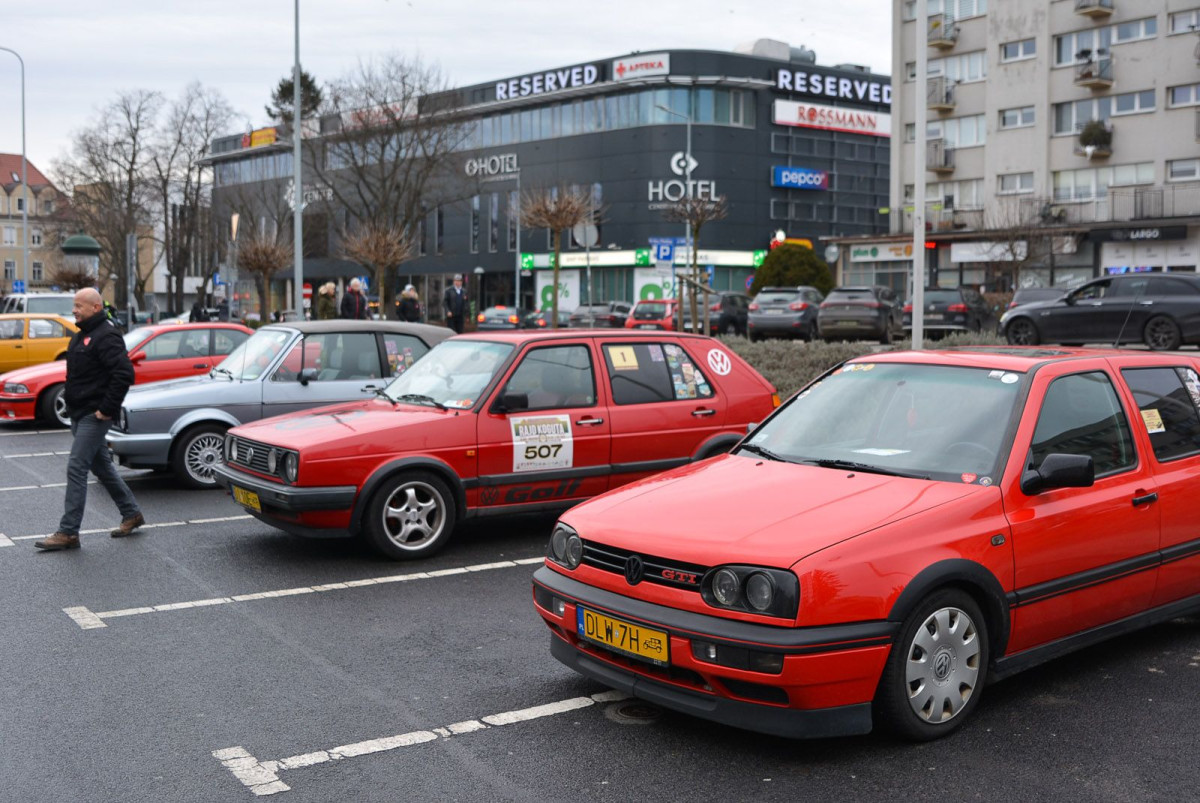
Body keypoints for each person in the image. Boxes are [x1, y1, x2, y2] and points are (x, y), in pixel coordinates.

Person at [34, 288, 144, 551]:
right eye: (74, 305)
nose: (74, 310)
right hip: (78, 412)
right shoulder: (82, 335)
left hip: (94, 415)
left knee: (76, 467)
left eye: (79, 306)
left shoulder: (106, 335)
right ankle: (132, 513)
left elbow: (124, 374)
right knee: (102, 468)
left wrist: (106, 409)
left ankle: (69, 532)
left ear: (95, 308)